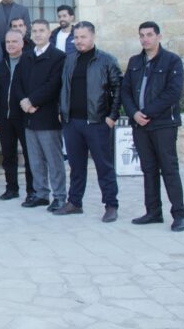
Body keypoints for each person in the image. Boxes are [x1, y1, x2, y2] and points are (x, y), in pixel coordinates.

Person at [122, 22, 184, 232]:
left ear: (158, 36)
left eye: (149, 35)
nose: (145, 39)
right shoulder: (134, 61)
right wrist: (134, 113)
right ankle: (153, 212)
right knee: (148, 169)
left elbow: (172, 93)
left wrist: (147, 113)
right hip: (140, 125)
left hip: (163, 124)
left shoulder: (172, 61)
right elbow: (125, 91)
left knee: (169, 169)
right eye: (141, 35)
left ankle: (179, 215)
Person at [56, 22, 122, 222]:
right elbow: (62, 87)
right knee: (76, 166)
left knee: (104, 166)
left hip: (97, 122)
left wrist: (112, 117)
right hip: (72, 123)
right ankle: (75, 202)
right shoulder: (69, 60)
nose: (79, 41)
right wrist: (61, 111)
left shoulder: (106, 60)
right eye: (76, 37)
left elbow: (119, 89)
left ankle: (111, 205)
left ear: (92, 37)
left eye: (83, 37)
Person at [16, 21, 66, 211]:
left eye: (41, 31)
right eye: (34, 31)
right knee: (35, 160)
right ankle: (41, 194)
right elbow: (18, 82)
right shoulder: (26, 56)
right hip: (28, 116)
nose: (37, 34)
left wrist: (33, 101)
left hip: (47, 116)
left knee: (54, 161)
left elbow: (53, 84)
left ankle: (59, 196)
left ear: (49, 33)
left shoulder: (58, 57)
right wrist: (24, 101)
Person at [0, 30, 31, 202]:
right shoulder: (1, 64)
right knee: (8, 155)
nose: (10, 45)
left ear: (22, 43)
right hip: (5, 117)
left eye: (14, 41)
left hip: (24, 116)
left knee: (29, 155)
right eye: (8, 42)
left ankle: (32, 190)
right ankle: (11, 188)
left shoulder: (29, 62)